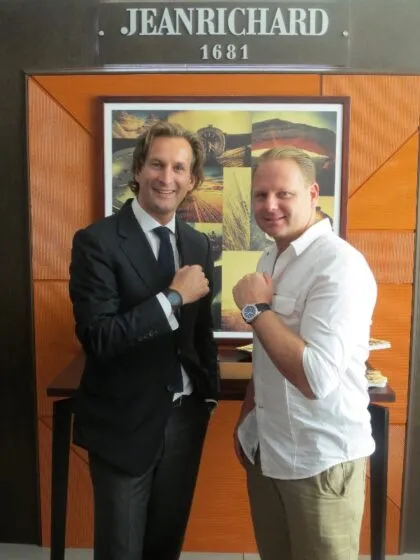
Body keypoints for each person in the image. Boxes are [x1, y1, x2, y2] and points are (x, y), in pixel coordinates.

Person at [69, 121, 219, 560]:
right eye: (157, 164)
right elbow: (99, 337)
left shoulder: (197, 243)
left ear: (192, 180)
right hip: (124, 423)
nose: (166, 177)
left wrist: (207, 397)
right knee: (121, 551)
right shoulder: (96, 242)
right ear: (137, 169)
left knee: (164, 548)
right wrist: (171, 298)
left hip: (184, 420)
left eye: (179, 168)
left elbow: (200, 332)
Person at [232, 146, 377, 560]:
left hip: (320, 461)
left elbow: (315, 378)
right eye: (260, 195)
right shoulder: (271, 255)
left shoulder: (340, 266)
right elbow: (266, 355)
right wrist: (247, 418)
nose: (270, 205)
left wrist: (255, 310)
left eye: (284, 194)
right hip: (269, 450)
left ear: (313, 194)